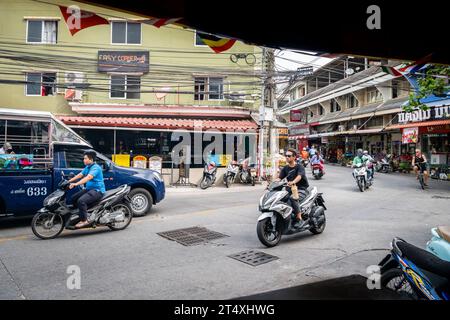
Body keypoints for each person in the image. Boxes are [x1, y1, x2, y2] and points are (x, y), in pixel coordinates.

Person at [67, 151, 106, 228]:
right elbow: (80, 175)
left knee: (81, 201)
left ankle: (84, 220)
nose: (83, 160)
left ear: (91, 160)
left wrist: (76, 184)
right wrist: (68, 181)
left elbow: (88, 177)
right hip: (89, 189)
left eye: (85, 158)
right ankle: (80, 215)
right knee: (73, 198)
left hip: (97, 190)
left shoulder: (96, 168)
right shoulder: (88, 167)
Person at [277, 148, 310, 228]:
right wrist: (272, 183)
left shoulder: (299, 167)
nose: (287, 157)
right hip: (289, 190)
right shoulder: (285, 168)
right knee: (281, 199)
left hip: (301, 189)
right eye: (286, 156)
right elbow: (279, 178)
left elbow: (299, 176)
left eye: (289, 156)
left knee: (292, 198)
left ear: (294, 157)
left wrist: (293, 182)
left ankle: (299, 218)